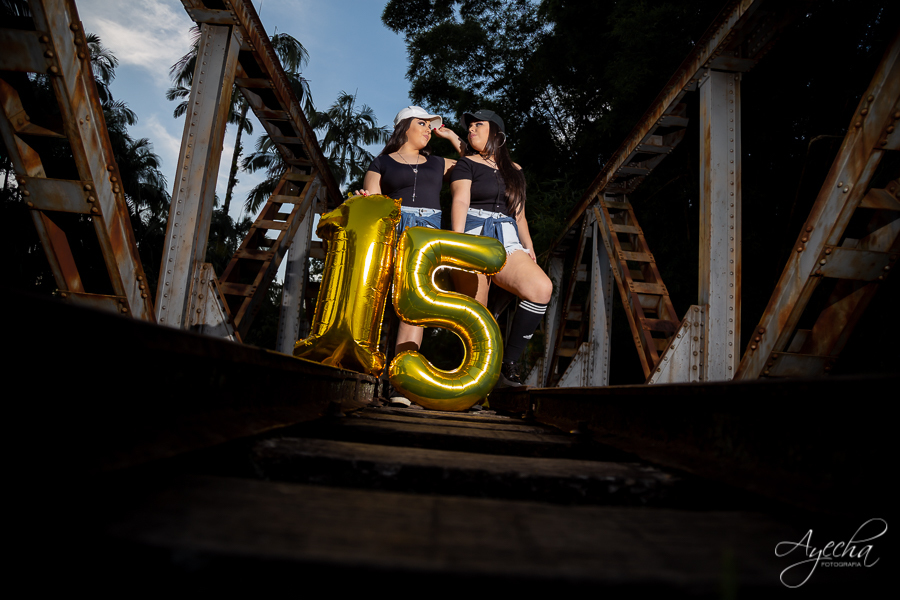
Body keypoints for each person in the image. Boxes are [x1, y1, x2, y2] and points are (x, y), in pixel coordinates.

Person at [357, 106, 463, 406]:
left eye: (431, 125)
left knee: (414, 305)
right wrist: (365, 201)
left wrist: (452, 137)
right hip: (393, 228)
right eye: (423, 123)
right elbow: (373, 201)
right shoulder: (381, 163)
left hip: (427, 234)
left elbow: (476, 167)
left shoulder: (439, 163)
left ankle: (401, 383)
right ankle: (368, 371)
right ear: (404, 127)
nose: (429, 129)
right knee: (380, 300)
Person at [450, 109, 552, 387]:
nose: (471, 129)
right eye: (469, 126)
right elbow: (460, 201)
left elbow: (519, 214)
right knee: (477, 311)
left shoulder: (515, 170)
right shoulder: (466, 164)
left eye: (478, 124)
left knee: (541, 288)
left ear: (496, 132)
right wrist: (457, 241)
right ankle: (472, 380)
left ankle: (509, 362)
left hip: (507, 236)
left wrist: (529, 246)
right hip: (474, 234)